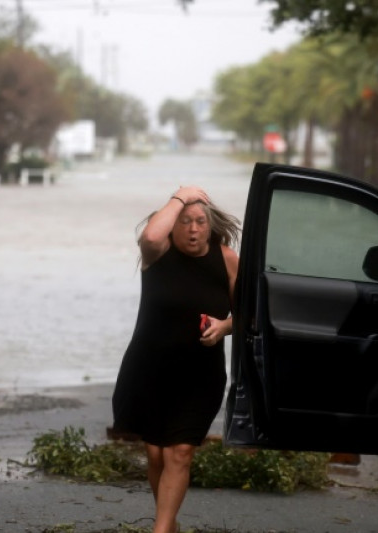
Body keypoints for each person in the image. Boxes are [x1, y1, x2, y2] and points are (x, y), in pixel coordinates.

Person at [111, 185, 241, 533]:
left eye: (200, 221)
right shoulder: (158, 253)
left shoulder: (227, 260)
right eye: (184, 221)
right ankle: (168, 523)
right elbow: (151, 235)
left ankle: (161, 529)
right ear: (172, 225)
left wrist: (225, 326)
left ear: (210, 226)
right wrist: (181, 195)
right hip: (148, 370)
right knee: (156, 454)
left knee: (179, 453)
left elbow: (251, 314)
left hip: (200, 376)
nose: (193, 229)